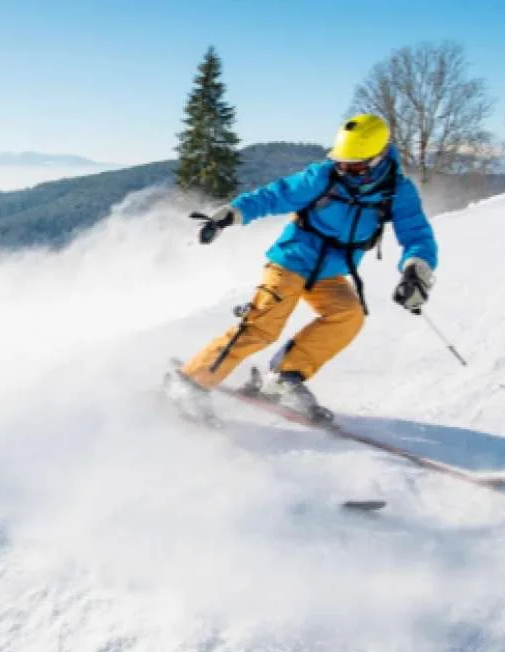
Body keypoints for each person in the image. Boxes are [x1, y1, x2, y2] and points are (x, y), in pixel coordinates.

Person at [165, 113, 438, 421]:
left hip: (329, 272)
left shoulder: (397, 192)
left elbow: (417, 234)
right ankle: (189, 382)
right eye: (341, 162)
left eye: (354, 166)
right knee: (264, 325)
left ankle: (284, 376)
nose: (345, 169)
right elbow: (275, 196)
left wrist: (416, 271)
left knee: (349, 315)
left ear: (378, 159)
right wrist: (231, 214)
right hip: (291, 259)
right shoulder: (324, 177)